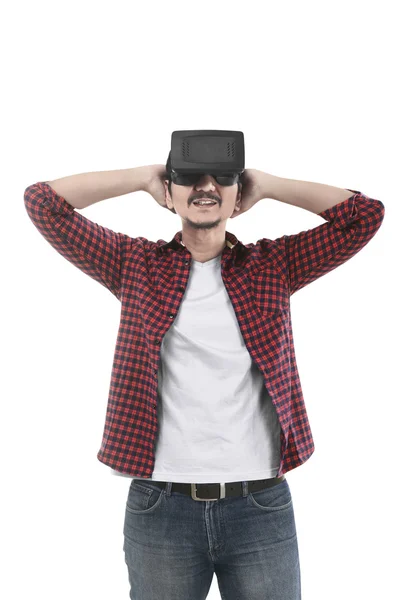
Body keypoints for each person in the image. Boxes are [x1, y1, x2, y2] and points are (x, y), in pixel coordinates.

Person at [23, 153, 385, 599]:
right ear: (170, 193)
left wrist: (269, 184)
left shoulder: (273, 265)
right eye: (190, 177)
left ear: (238, 195)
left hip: (259, 505)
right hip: (161, 506)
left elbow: (366, 216)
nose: (206, 187)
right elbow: (43, 203)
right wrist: (141, 178)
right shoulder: (134, 264)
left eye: (223, 178)